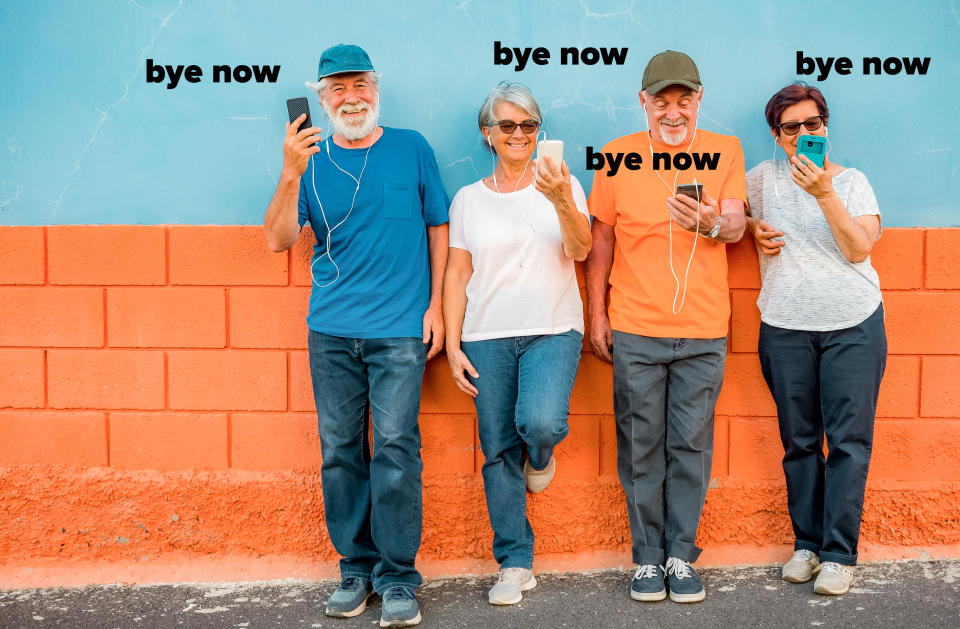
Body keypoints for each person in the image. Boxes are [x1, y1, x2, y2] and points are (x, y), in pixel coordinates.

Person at [263, 44, 449, 627]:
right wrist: (290, 170)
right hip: (332, 333)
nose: (350, 98)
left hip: (400, 331)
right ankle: (356, 568)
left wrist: (438, 307)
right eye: (337, 89)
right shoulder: (309, 162)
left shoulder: (411, 147)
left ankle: (397, 577)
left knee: (395, 450)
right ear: (320, 99)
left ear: (377, 89)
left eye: (360, 85)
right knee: (341, 453)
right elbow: (276, 239)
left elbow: (438, 228)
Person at [585, 50, 747, 603]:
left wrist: (714, 225)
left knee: (691, 446)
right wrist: (596, 312)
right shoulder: (616, 157)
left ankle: (680, 554)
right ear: (644, 103)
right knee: (640, 446)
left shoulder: (725, 151)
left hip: (704, 330)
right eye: (662, 101)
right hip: (635, 327)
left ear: (699, 100)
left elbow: (737, 221)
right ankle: (647, 559)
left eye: (684, 100)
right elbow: (600, 239)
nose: (672, 112)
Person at [443, 82, 592, 606]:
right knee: (497, 449)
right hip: (486, 335)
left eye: (529, 126)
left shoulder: (564, 186)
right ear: (489, 134)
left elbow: (581, 248)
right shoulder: (468, 200)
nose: (519, 135)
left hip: (553, 328)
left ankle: (543, 456)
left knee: (541, 423)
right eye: (508, 125)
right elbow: (458, 272)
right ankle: (514, 561)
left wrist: (560, 201)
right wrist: (453, 343)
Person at [746, 82, 885, 596]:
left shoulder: (852, 183)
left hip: (853, 323)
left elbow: (857, 248)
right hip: (784, 326)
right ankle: (806, 543)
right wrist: (752, 228)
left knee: (848, 443)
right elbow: (734, 221)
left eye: (813, 125)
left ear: (825, 126)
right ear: (777, 136)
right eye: (791, 128)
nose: (804, 134)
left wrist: (824, 192)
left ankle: (839, 554)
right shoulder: (759, 181)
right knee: (799, 442)